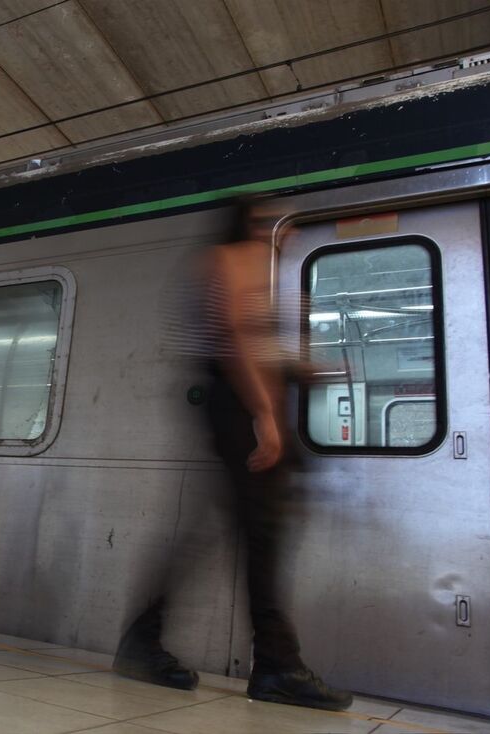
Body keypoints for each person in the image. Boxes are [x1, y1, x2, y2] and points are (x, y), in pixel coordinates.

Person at [113, 198, 353, 711]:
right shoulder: (235, 258)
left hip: (246, 405)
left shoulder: (255, 266)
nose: (283, 231)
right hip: (240, 407)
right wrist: (264, 416)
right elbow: (234, 338)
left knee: (226, 532)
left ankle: (148, 639)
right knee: (260, 536)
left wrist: (306, 368)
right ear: (249, 223)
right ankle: (276, 666)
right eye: (271, 222)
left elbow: (256, 343)